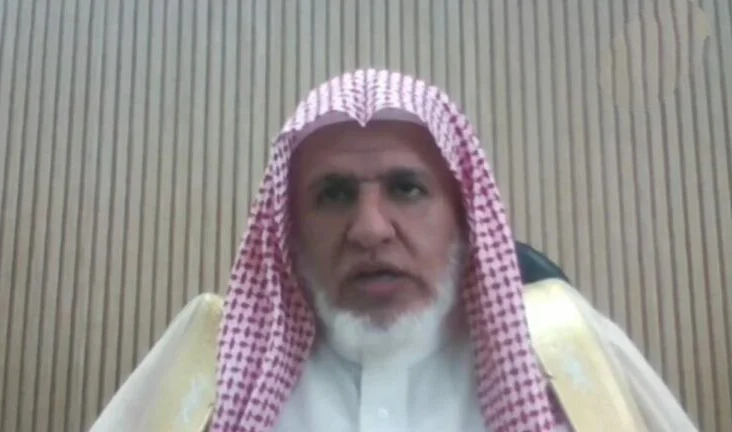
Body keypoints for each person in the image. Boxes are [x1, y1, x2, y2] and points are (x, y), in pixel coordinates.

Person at [209, 69, 697, 432]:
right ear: (292, 232)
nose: (370, 230)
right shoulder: (208, 379)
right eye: (334, 195)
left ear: (464, 219)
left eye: (406, 188)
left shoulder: (576, 354)